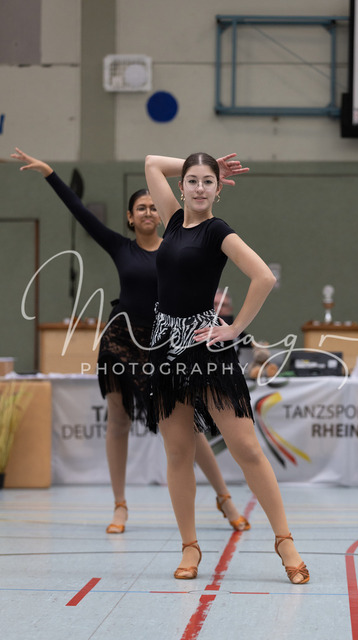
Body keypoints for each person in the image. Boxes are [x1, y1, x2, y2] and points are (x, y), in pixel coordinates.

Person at [11, 147, 250, 534]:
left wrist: (205, 169)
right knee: (118, 419)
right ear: (130, 217)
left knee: (190, 425)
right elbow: (81, 213)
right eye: (140, 208)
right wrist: (51, 174)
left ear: (161, 208)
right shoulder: (120, 247)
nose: (148, 212)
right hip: (122, 340)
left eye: (152, 206)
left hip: (166, 340)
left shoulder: (181, 239)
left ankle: (224, 497)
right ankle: (120, 505)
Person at [144, 152, 309, 583]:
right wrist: (208, 162)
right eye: (193, 180)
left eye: (208, 181)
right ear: (182, 186)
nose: (199, 188)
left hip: (206, 347)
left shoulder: (217, 230)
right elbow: (151, 163)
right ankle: (190, 547)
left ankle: (284, 540)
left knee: (246, 447)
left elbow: (263, 277)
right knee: (178, 452)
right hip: (165, 347)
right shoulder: (172, 220)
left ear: (218, 190)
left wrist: (234, 328)